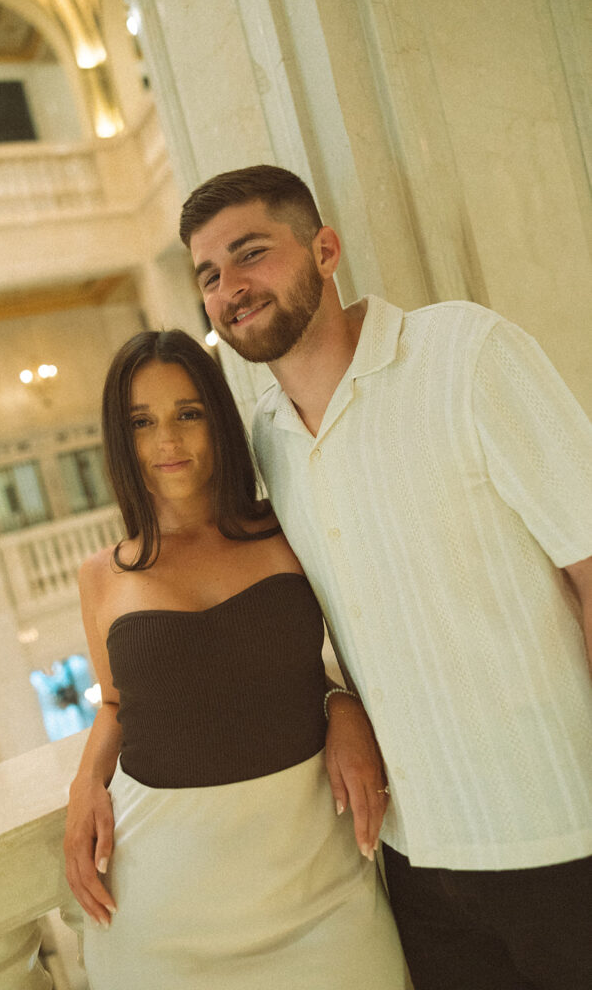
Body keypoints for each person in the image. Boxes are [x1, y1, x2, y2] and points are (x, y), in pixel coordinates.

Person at [179, 164, 592, 990]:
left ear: (324, 250)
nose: (230, 288)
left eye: (251, 253)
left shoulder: (464, 353)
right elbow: (300, 623)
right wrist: (335, 701)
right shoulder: (260, 444)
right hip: (414, 860)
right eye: (209, 276)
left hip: (562, 830)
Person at [63, 329, 406, 988]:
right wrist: (84, 785)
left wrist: (342, 702)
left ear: (217, 420)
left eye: (187, 412)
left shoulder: (288, 528)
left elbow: (363, 638)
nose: (167, 440)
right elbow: (115, 703)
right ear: (119, 439)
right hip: (163, 907)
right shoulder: (101, 575)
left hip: (318, 888)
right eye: (142, 422)